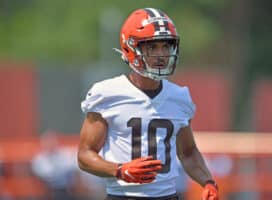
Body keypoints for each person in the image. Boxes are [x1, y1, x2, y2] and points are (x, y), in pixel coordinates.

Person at [77, 7, 219, 200]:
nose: (161, 55)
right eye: (152, 47)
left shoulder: (179, 97)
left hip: (168, 196)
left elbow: (188, 152)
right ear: (131, 47)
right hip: (123, 196)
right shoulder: (107, 94)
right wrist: (119, 170)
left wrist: (208, 181)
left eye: (165, 46)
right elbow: (85, 155)